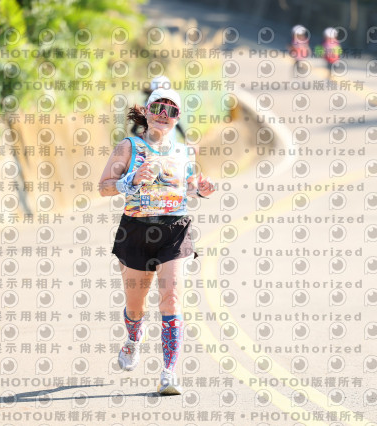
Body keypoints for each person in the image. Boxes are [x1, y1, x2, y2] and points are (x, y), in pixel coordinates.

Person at [98, 86, 216, 395]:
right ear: (147, 112)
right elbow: (104, 187)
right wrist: (132, 179)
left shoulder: (185, 151)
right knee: (135, 306)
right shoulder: (128, 147)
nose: (164, 115)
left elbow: (187, 187)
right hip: (135, 230)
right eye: (158, 109)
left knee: (172, 298)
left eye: (171, 110)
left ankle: (169, 373)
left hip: (174, 229)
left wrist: (201, 190)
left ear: (178, 117)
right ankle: (133, 337)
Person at [131, 75, 185, 142]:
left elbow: (178, 125)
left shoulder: (172, 107)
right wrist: (141, 141)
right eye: (159, 90)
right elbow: (134, 130)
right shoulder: (147, 108)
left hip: (170, 142)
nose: (163, 115)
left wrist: (186, 138)